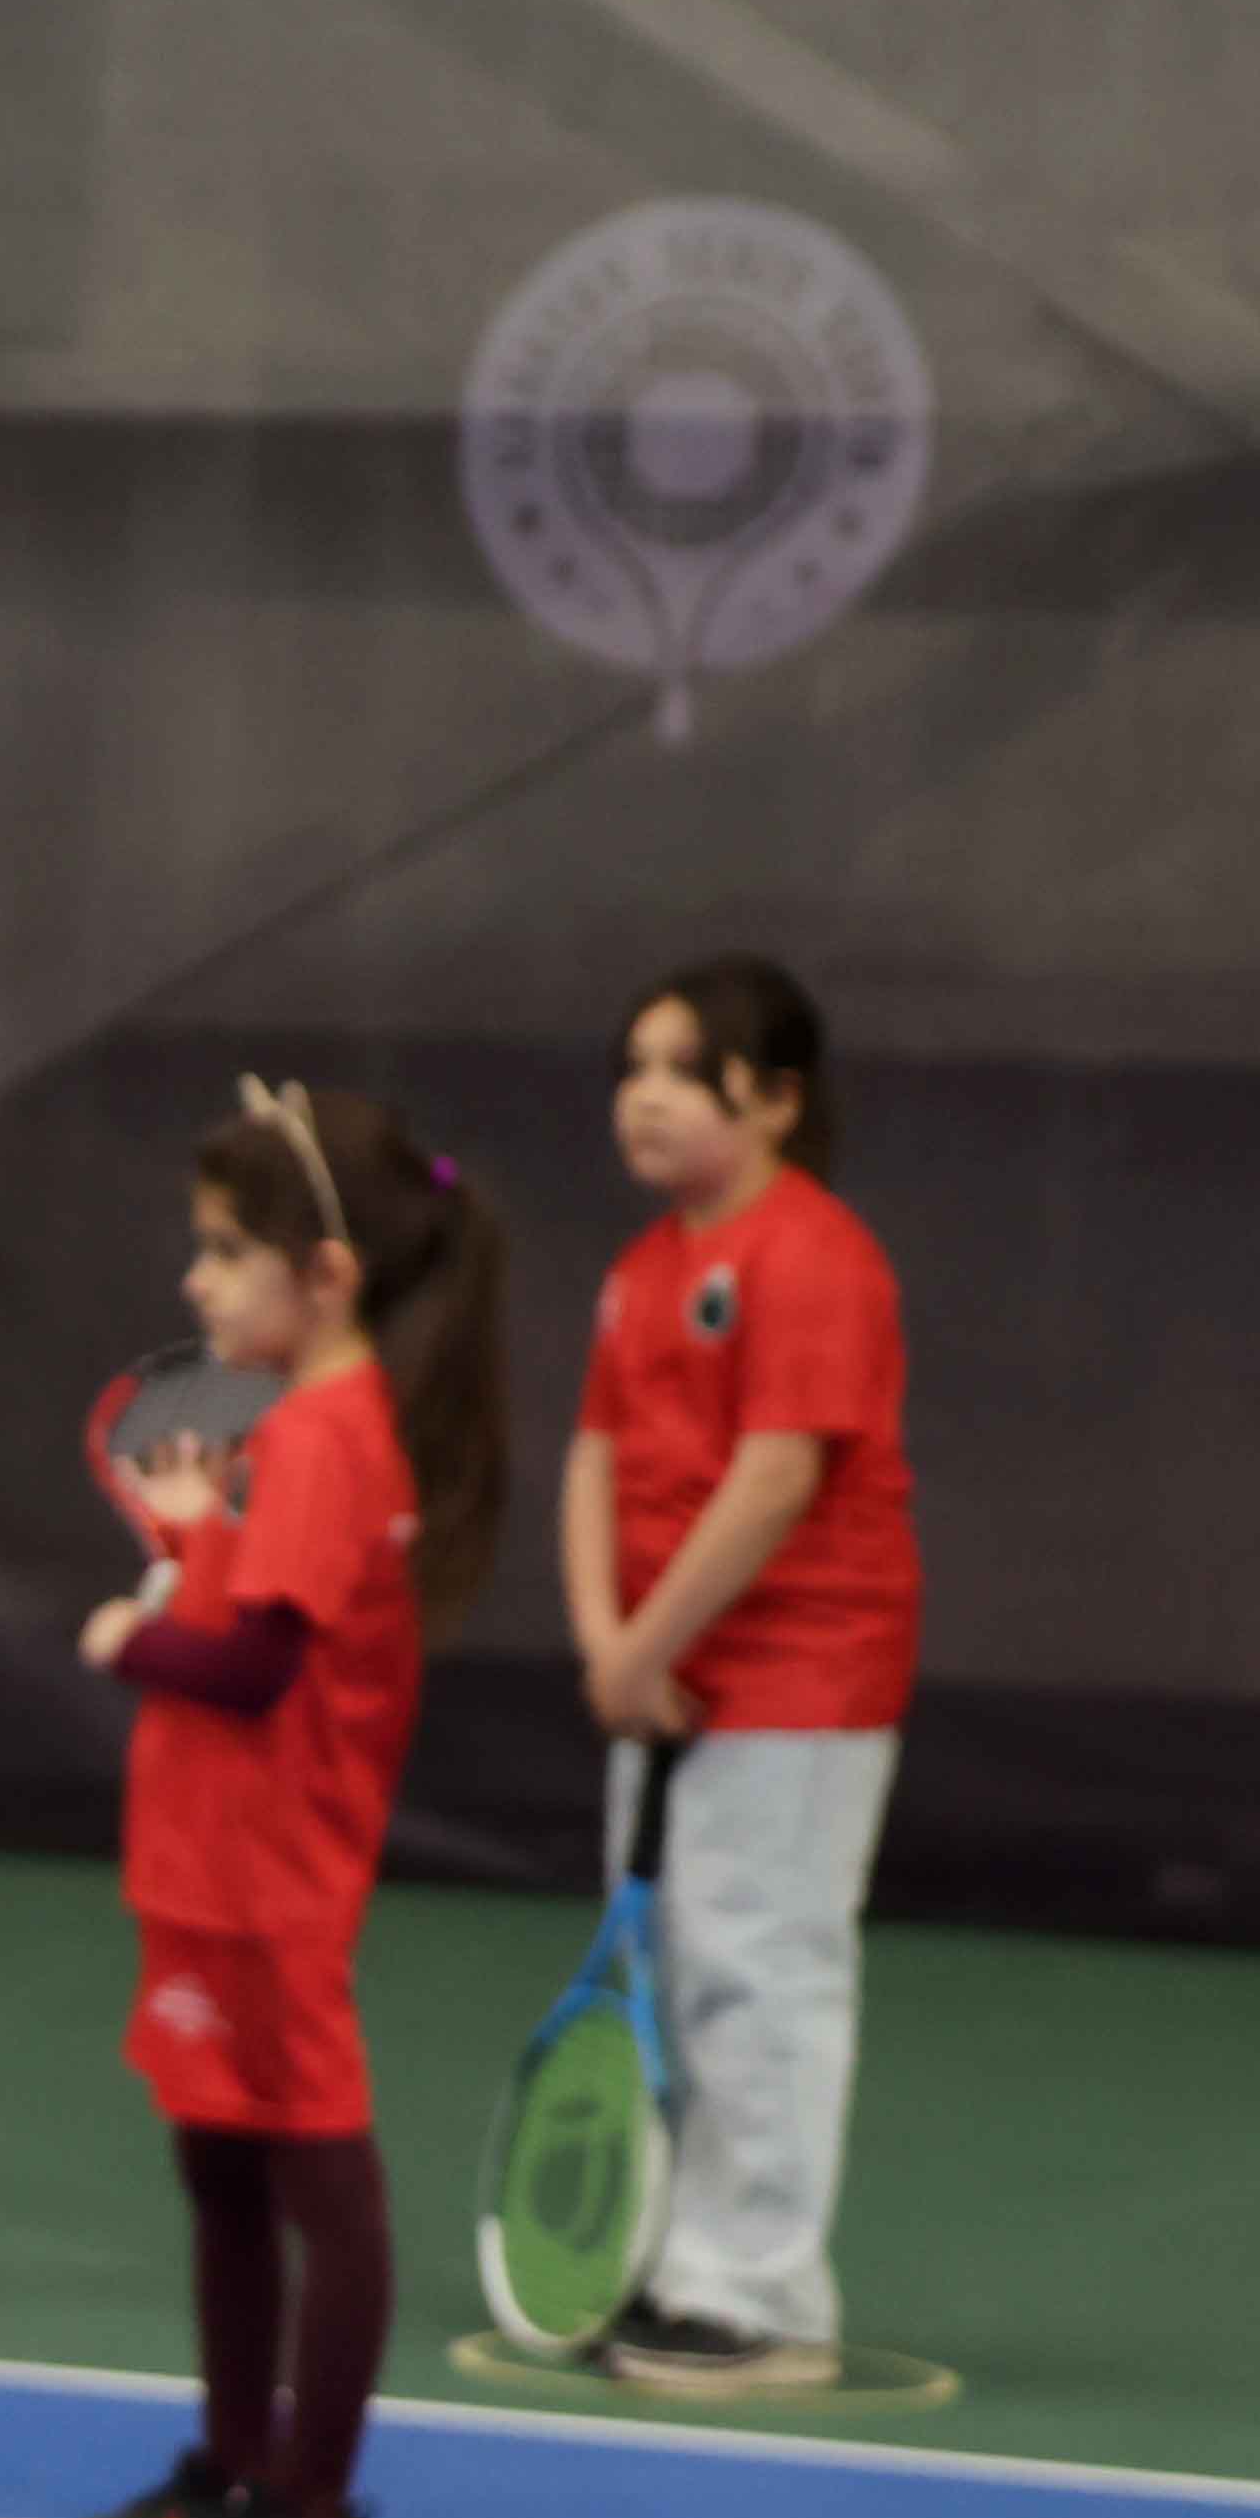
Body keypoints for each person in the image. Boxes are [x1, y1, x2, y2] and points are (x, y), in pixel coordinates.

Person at [63, 1080, 505, 2518]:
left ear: (326, 1275)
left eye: (224, 1252)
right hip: (207, 1870)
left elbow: (256, 1670)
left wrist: (124, 1636)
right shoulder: (297, 1436)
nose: (195, 1283)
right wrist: (197, 1536)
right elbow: (259, 1607)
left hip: (274, 1882)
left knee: (322, 2188)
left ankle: (310, 2511)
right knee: (223, 2175)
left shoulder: (323, 1435)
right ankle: (232, 2470)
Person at [562, 954, 917, 2390]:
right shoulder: (641, 1271)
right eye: (630, 1069)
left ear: (772, 1101)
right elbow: (593, 1459)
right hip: (659, 1686)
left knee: (757, 1975)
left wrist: (641, 1647)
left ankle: (761, 2299)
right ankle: (681, 2263)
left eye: (680, 1072)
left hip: (798, 1682)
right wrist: (609, 1649)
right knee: (672, 1967)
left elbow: (776, 1479)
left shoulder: (814, 1255)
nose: (642, 1098)